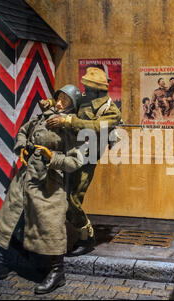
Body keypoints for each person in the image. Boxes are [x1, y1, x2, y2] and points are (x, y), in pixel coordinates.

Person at [0, 85, 84, 294]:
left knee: (50, 225)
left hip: (49, 182)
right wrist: (22, 147)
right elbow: (23, 131)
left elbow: (76, 161)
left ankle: (57, 272)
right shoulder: (43, 116)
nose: (58, 104)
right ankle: (2, 263)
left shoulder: (71, 128)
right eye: (59, 99)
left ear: (72, 107)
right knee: (9, 221)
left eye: (65, 102)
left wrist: (53, 157)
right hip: (24, 177)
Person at [42, 67, 121, 256]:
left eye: (90, 87)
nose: (85, 90)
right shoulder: (85, 100)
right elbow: (69, 101)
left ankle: (86, 237)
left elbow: (95, 126)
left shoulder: (111, 110)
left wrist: (67, 121)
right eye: (85, 86)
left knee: (73, 200)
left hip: (88, 154)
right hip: (69, 150)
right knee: (60, 193)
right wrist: (51, 102)